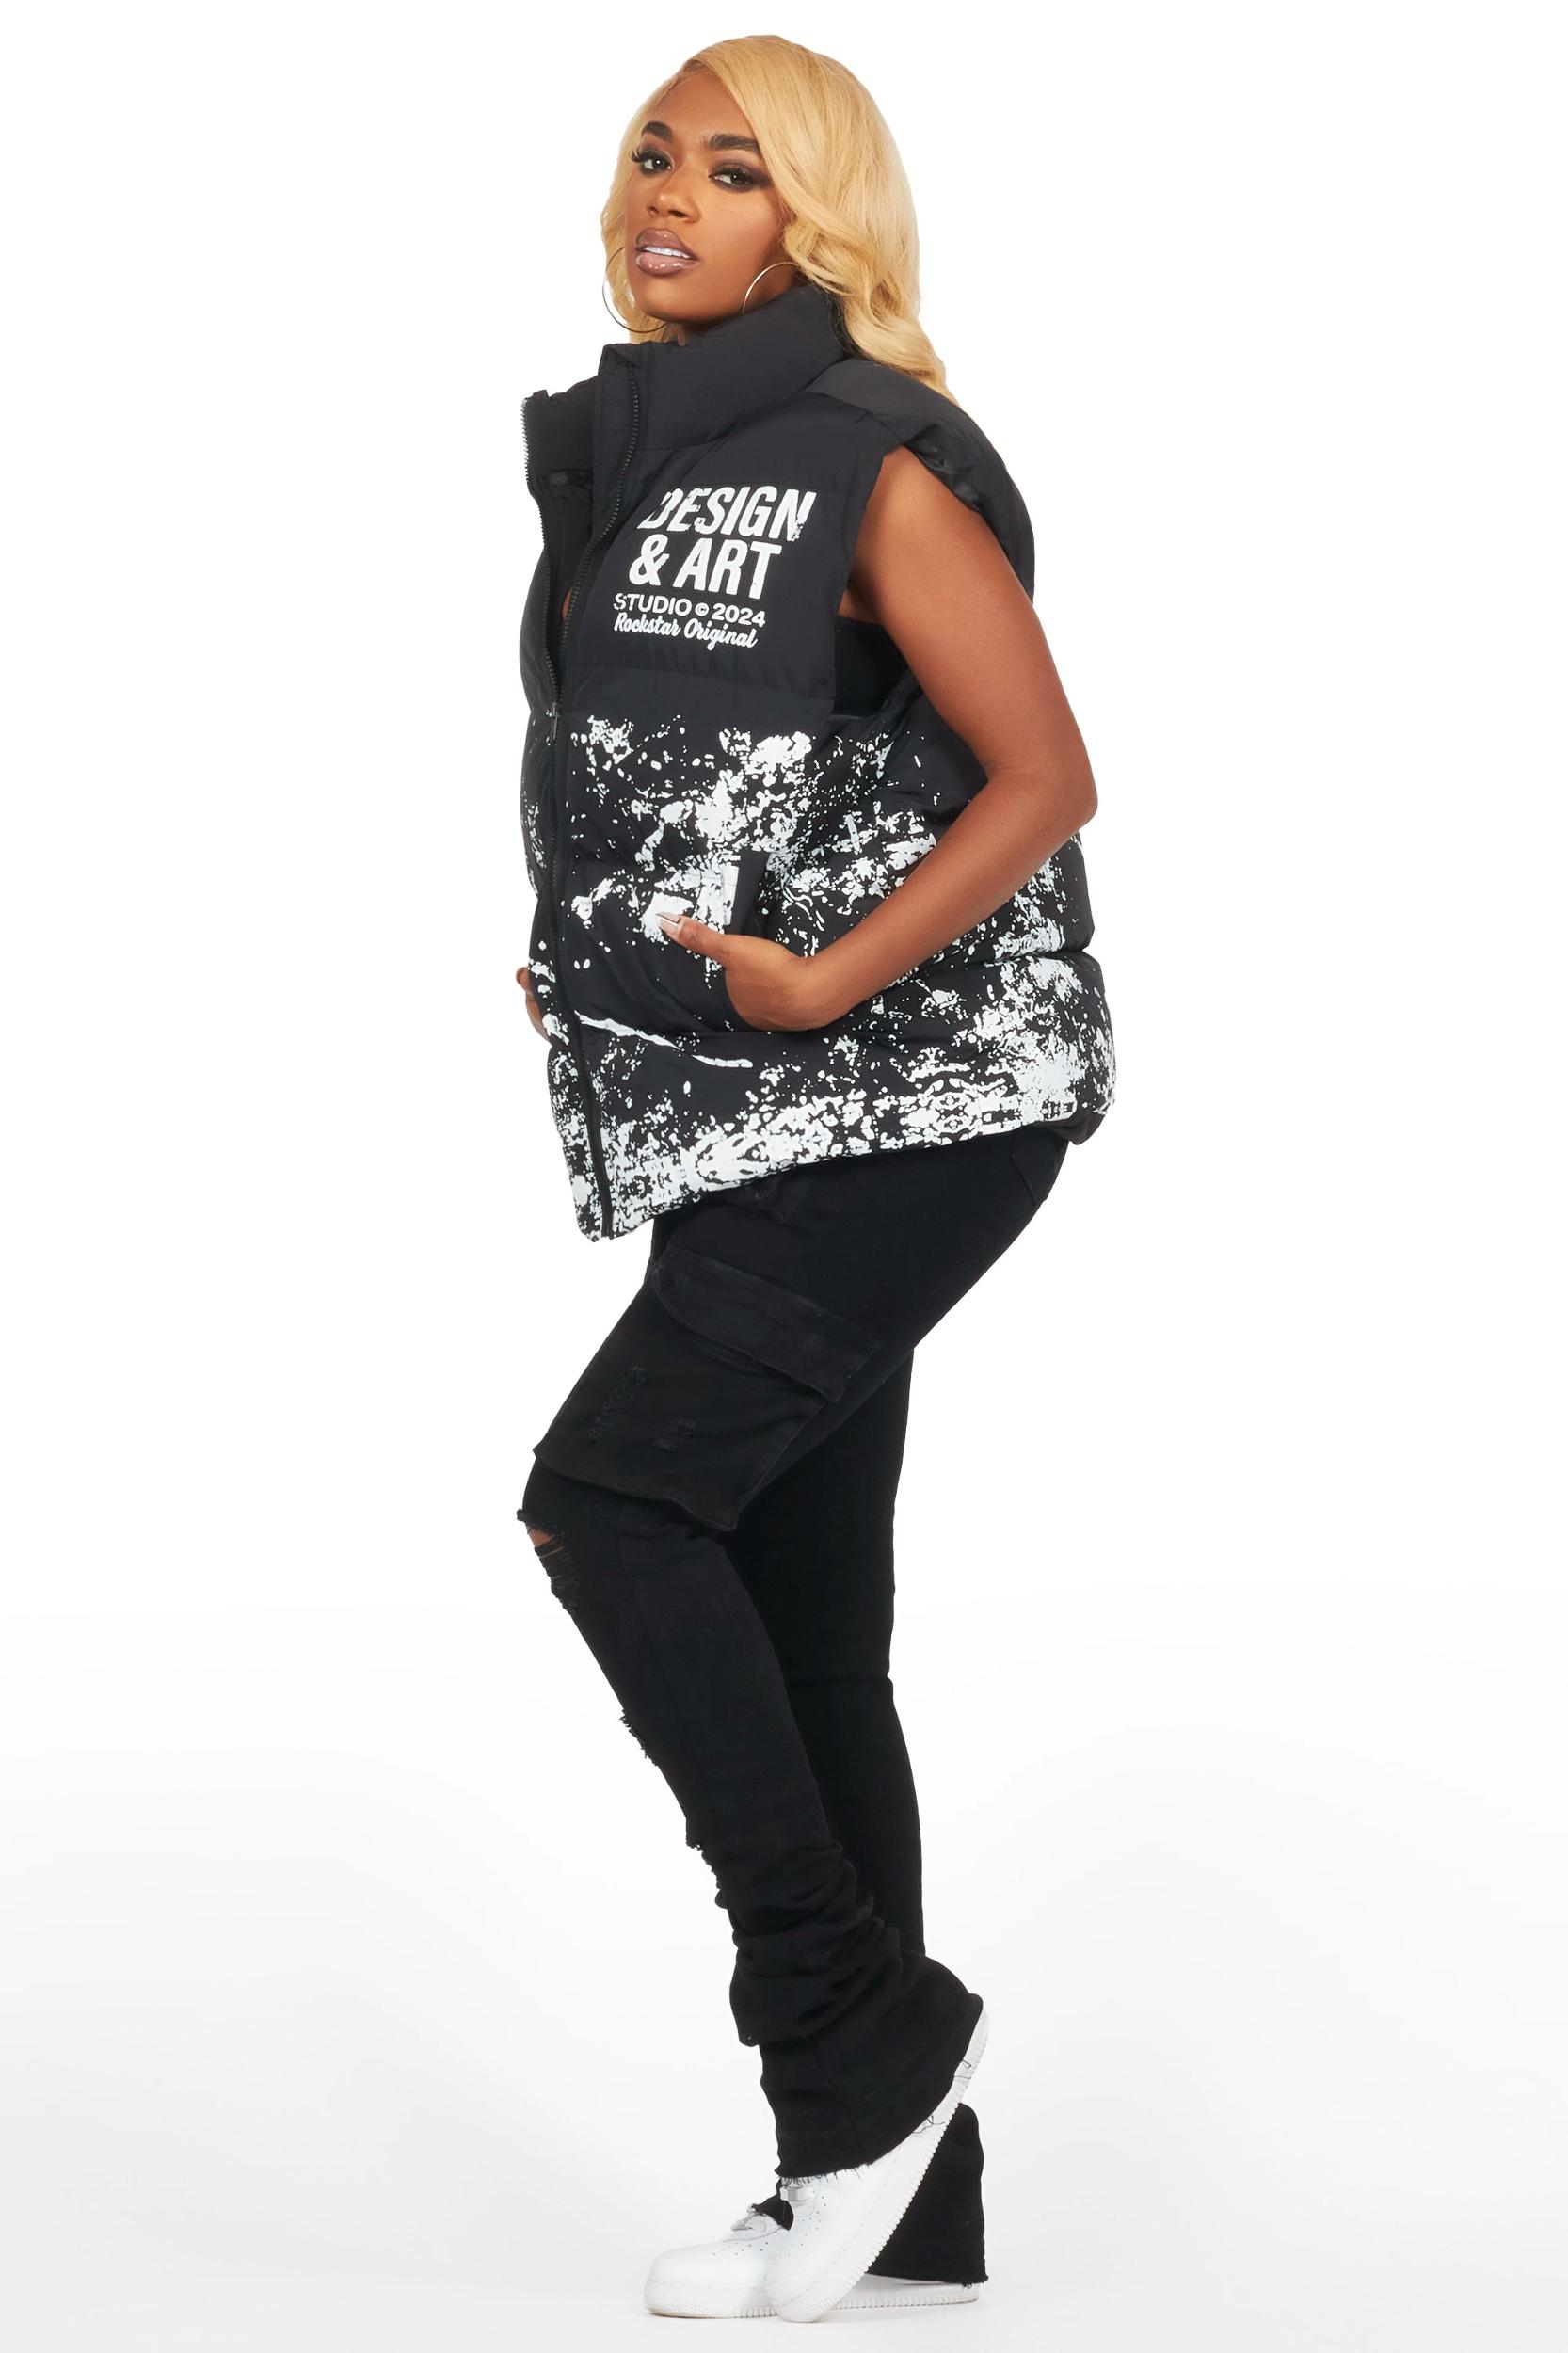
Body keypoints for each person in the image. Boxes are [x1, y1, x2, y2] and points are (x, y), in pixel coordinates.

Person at [513, 37, 1116, 2324]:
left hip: (917, 1107)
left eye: (733, 169)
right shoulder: (649, 457)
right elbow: (708, 777)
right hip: (742, 1103)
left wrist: (822, 978)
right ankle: (889, 2195)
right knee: (800, 1619)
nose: (667, 193)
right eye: (650, 153)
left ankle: (861, 2027)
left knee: (611, 1501)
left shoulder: (868, 457)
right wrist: (608, 963)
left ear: (817, 216)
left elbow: (1042, 772)